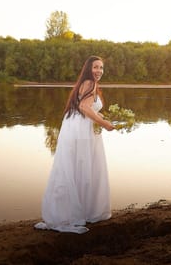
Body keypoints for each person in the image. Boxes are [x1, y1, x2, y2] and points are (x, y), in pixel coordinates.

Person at [34, 56, 115, 233]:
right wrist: (104, 124)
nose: (99, 71)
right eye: (95, 67)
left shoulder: (86, 83)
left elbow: (86, 109)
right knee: (82, 168)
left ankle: (76, 211)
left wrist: (104, 119)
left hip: (76, 127)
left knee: (74, 168)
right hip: (81, 130)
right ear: (88, 68)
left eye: (101, 68)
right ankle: (75, 212)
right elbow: (85, 108)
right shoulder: (90, 83)